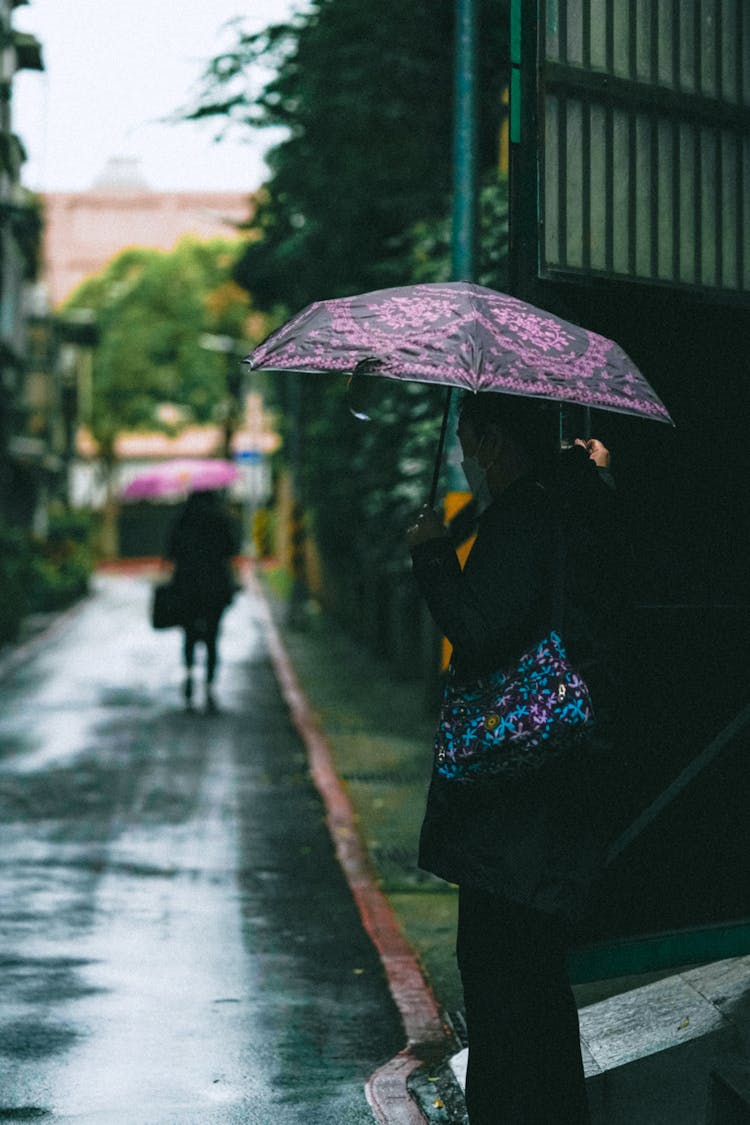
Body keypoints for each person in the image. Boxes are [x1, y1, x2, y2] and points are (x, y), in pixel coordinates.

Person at [406, 393, 625, 1125]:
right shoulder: (574, 504)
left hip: (515, 786)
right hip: (561, 770)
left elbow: (479, 627)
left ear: (496, 441)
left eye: (469, 439)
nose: (466, 456)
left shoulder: (523, 514)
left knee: (501, 982)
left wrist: (432, 551)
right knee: (536, 982)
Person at [166, 489, 238, 713]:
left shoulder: (182, 519)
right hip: (214, 587)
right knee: (213, 637)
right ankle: (209, 686)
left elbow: (170, 552)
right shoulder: (219, 520)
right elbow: (231, 550)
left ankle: (188, 674)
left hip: (187, 587)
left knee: (188, 634)